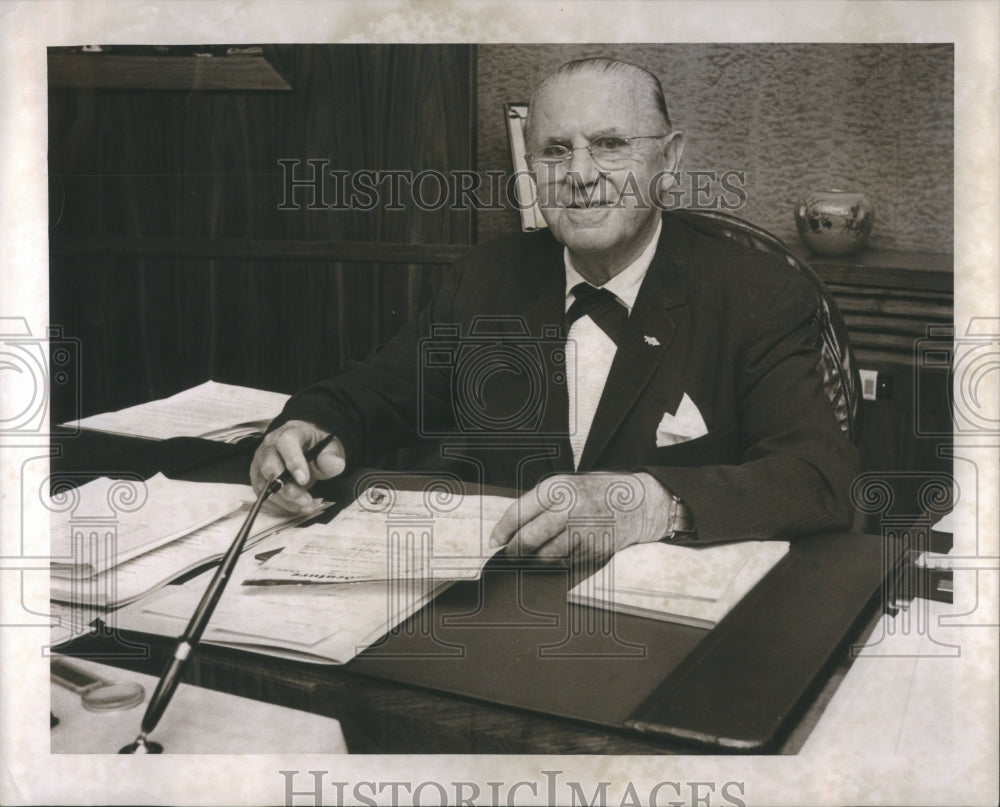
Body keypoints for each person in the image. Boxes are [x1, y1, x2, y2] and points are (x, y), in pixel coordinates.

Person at [250, 57, 859, 565]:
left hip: (674, 623)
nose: (581, 175)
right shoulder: (486, 280)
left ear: (668, 162)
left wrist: (652, 502)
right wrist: (303, 427)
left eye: (611, 145)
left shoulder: (754, 290)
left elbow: (819, 477)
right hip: (498, 608)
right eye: (555, 151)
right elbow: (376, 395)